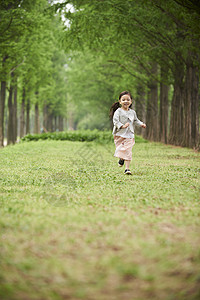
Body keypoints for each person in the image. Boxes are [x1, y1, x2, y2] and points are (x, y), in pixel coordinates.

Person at [110, 91, 146, 175]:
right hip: (119, 134)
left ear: (131, 101)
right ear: (120, 101)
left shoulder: (132, 112)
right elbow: (115, 121)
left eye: (128, 100)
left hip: (129, 135)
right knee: (120, 149)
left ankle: (127, 169)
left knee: (128, 151)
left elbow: (136, 120)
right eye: (123, 100)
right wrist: (122, 126)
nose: (126, 101)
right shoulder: (118, 111)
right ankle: (121, 159)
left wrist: (141, 124)